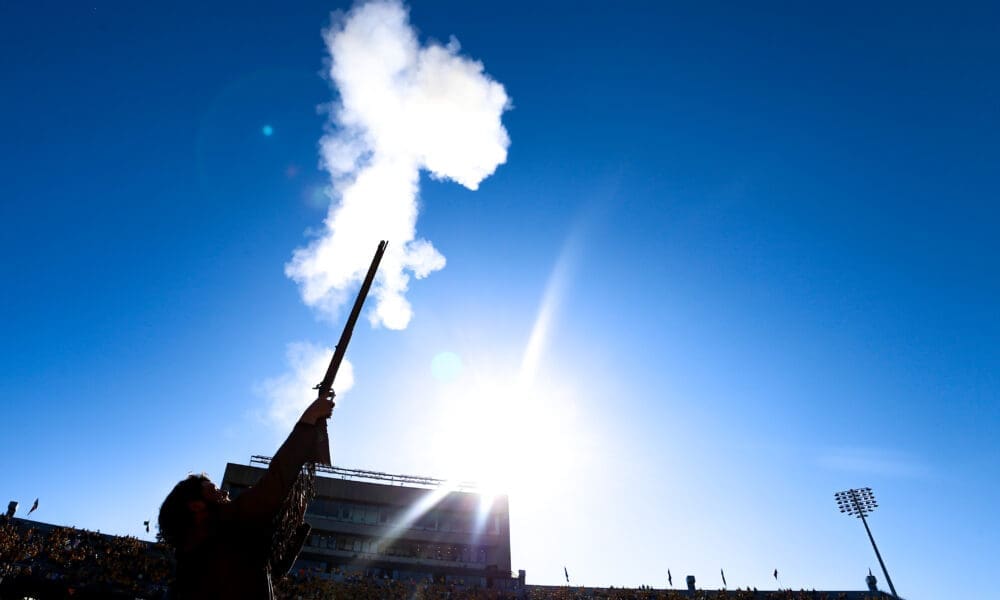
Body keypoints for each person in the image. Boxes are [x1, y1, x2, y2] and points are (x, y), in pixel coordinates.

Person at [158, 397, 332, 599]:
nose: (224, 493)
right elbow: (272, 485)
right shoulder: (222, 526)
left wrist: (298, 526)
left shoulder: (201, 549)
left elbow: (272, 571)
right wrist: (307, 421)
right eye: (213, 490)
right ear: (196, 506)